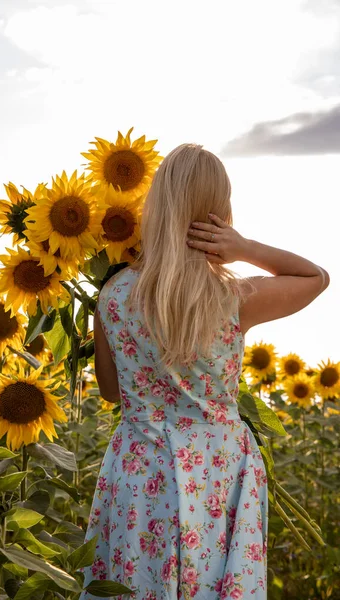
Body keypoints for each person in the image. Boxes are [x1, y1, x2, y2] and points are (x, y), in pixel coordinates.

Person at [78, 144, 330, 600]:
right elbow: (316, 278)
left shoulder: (113, 294)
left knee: (132, 582)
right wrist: (245, 248)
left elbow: (112, 392)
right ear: (219, 215)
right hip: (217, 470)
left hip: (139, 467)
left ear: (154, 206)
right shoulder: (234, 297)